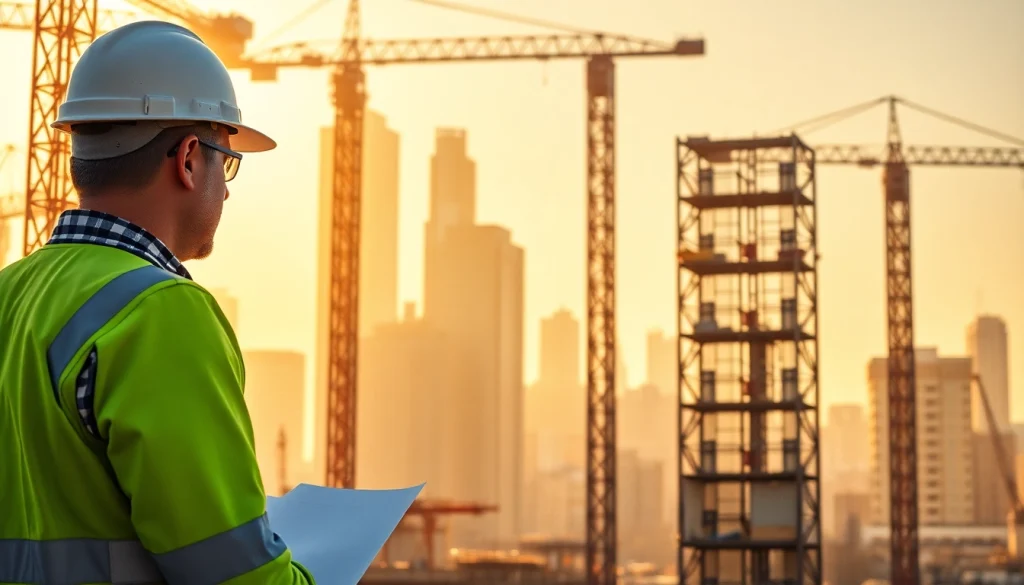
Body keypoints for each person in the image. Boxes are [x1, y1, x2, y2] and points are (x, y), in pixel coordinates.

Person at [0, 20, 316, 584]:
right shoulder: (160, 312)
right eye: (228, 162)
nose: (227, 189)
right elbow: (235, 575)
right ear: (189, 158)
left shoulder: (10, 293)